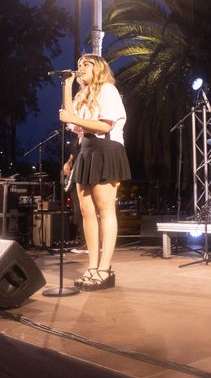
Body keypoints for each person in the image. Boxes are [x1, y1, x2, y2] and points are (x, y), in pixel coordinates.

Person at [58, 54, 131, 291]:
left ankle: (105, 268)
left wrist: (73, 118)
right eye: (78, 64)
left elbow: (105, 125)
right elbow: (72, 122)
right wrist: (68, 86)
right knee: (87, 211)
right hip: (86, 150)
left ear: (98, 67)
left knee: (105, 209)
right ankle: (92, 266)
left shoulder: (108, 90)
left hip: (106, 147)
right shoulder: (83, 95)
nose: (80, 67)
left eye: (85, 64)